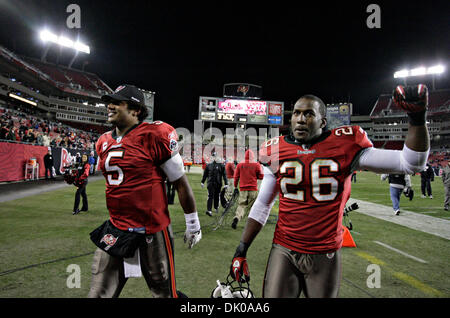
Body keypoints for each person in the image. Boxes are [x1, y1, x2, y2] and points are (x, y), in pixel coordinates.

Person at [229, 84, 430, 298]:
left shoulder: (345, 144)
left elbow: (411, 163)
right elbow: (262, 205)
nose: (300, 119)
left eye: (308, 114)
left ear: (322, 122)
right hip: (284, 248)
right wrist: (241, 250)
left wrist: (417, 119)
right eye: (296, 113)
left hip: (325, 252)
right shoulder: (274, 150)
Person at [88, 84, 201, 298]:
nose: (109, 106)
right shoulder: (103, 141)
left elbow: (179, 182)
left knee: (164, 293)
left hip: (151, 229)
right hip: (116, 226)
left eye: (117, 102)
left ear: (135, 109)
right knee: (98, 293)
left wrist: (193, 223)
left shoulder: (154, 134)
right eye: (109, 101)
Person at [231, 149, 264, 229]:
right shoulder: (256, 165)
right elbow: (261, 176)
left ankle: (237, 217)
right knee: (252, 207)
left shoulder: (240, 165)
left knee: (242, 205)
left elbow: (236, 177)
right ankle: (250, 224)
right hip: (253, 189)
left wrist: (235, 187)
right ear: (253, 156)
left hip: (243, 189)